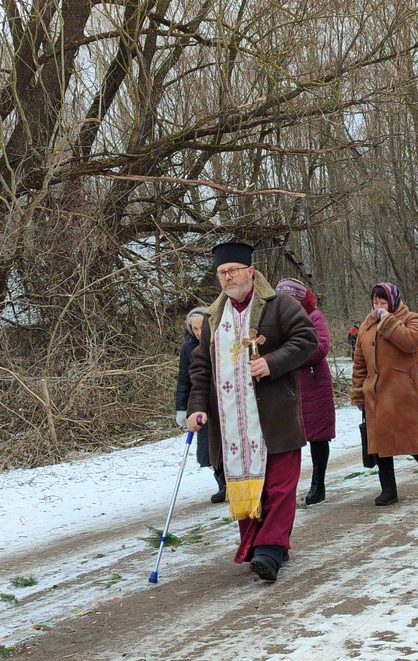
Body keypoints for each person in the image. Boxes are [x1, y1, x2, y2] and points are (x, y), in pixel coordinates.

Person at [186, 242, 319, 582]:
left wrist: (271, 363)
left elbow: (306, 340)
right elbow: (200, 366)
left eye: (232, 271)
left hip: (273, 417)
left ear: (250, 271)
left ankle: (270, 550)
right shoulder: (215, 317)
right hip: (231, 424)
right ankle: (263, 546)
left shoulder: (278, 305)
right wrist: (196, 407)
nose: (227, 278)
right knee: (246, 488)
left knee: (278, 487)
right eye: (221, 273)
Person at [350, 283, 418, 506]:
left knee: (407, 437)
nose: (378, 307)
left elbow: (411, 342)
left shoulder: (411, 318)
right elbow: (359, 363)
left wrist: (388, 320)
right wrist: (359, 392)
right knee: (380, 444)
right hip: (376, 393)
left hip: (403, 391)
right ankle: (388, 489)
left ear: (392, 301)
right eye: (375, 302)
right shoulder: (366, 326)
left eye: (383, 302)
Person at [275, 278, 336, 506]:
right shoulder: (276, 320)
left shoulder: (315, 317)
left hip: (313, 383)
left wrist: (286, 356)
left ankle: (318, 483)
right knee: (288, 438)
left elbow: (320, 347)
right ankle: (286, 486)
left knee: (318, 437)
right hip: (285, 385)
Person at [174, 306, 215, 499]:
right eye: (195, 329)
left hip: (221, 399)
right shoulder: (188, 348)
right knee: (207, 446)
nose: (199, 333)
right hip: (199, 402)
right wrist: (182, 408)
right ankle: (221, 480)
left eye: (202, 328)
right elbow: (183, 380)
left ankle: (228, 483)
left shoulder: (217, 340)